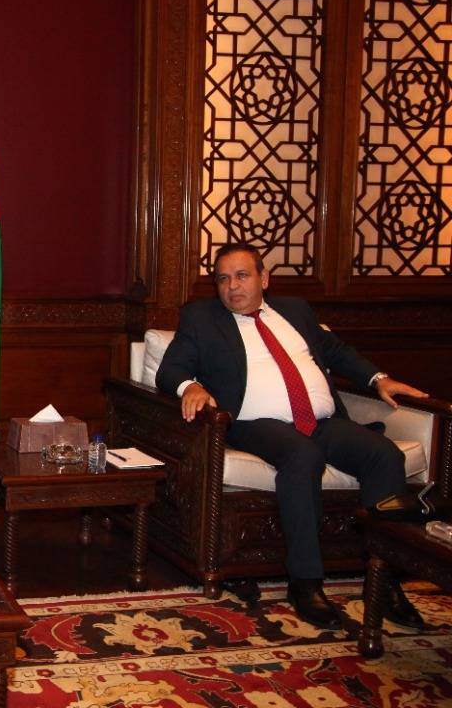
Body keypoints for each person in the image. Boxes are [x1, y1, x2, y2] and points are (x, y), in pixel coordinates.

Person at [156, 241, 428, 630]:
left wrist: (378, 378)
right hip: (255, 423)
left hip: (321, 421)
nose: (232, 286)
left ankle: (384, 581)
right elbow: (170, 370)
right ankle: (305, 583)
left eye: (242, 275)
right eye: (223, 279)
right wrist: (191, 386)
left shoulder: (296, 311)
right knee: (302, 455)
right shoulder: (201, 318)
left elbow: (336, 351)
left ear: (264, 279)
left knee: (384, 454)